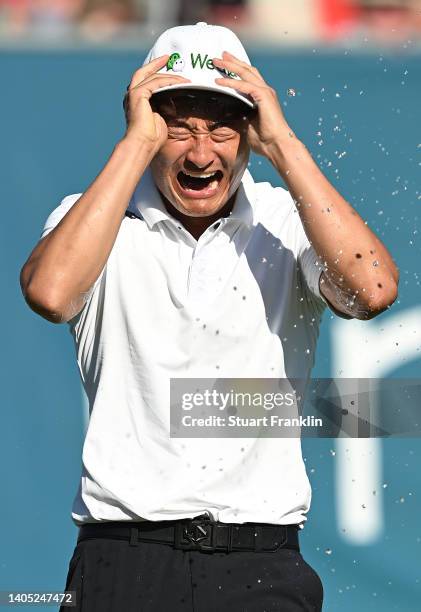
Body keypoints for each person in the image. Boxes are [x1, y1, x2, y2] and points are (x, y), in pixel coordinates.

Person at [20, 21, 398, 612]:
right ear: (145, 124)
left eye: (222, 126)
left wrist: (285, 147)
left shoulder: (285, 218)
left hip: (261, 564)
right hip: (122, 559)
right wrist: (135, 145)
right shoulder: (92, 218)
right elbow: (49, 293)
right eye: (178, 127)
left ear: (249, 130)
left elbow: (373, 288)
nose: (201, 153)